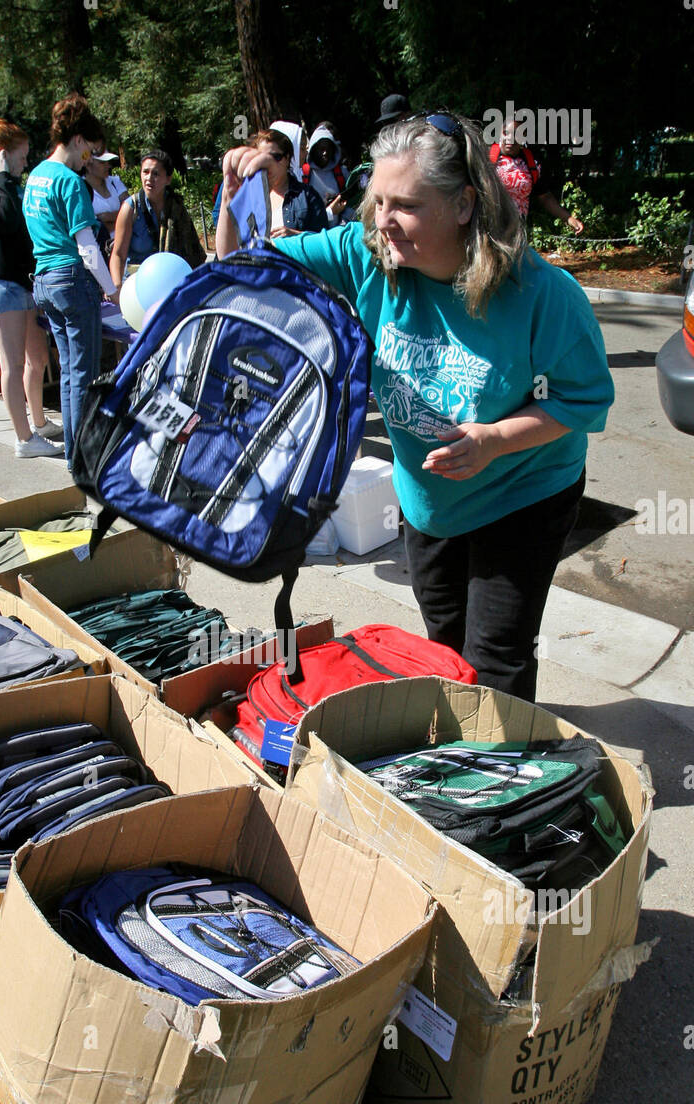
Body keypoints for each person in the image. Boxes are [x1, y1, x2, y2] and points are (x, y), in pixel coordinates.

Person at [217, 112, 614, 702]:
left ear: (464, 206)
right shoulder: (365, 254)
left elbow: (585, 399)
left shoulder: (542, 295)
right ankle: (465, 739)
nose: (384, 223)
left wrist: (495, 440)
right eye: (377, 202)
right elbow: (243, 273)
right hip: (430, 499)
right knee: (445, 647)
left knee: (497, 657)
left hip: (524, 489)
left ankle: (502, 777)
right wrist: (231, 201)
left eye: (405, 205)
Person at [22, 93, 118, 468]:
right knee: (85, 374)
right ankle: (83, 458)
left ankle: (73, 453)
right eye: (89, 151)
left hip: (43, 280)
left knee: (68, 372)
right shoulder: (70, 182)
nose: (89, 160)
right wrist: (111, 288)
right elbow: (87, 247)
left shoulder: (36, 177)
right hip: (72, 281)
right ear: (77, 141)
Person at [0, 117, 62, 458]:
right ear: (0, 155)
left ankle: (38, 422)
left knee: (38, 356)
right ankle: (24, 439)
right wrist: (4, 176)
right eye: (20, 158)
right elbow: (2, 217)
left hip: (22, 281)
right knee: (12, 364)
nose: (24, 164)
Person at [109, 148, 206, 290]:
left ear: (168, 179)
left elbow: (193, 254)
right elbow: (118, 255)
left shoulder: (177, 208)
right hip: (138, 287)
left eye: (156, 174)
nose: (149, 178)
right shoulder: (130, 208)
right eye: (145, 172)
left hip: (172, 285)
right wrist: (117, 288)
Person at [490, 119, 584, 233]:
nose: (510, 138)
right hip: (489, 231)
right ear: (500, 134)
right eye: (506, 133)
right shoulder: (486, 159)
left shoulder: (531, 163)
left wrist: (568, 219)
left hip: (517, 234)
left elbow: (545, 197)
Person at [247, 129, 328, 240]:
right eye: (262, 158)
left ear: (287, 158)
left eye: (275, 157)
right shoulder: (248, 196)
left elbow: (323, 243)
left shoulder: (308, 196)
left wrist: (296, 236)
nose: (268, 163)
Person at [301, 122, 355, 228]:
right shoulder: (303, 175)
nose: (324, 153)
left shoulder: (342, 173)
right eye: (321, 149)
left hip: (339, 233)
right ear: (312, 150)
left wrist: (344, 223)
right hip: (313, 235)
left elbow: (352, 202)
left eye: (327, 149)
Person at [83, 144, 128, 251]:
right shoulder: (80, 188)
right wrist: (121, 218)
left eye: (108, 162)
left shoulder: (115, 182)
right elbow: (90, 228)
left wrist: (106, 217)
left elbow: (132, 212)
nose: (108, 166)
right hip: (97, 250)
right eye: (102, 162)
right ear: (88, 164)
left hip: (123, 247)